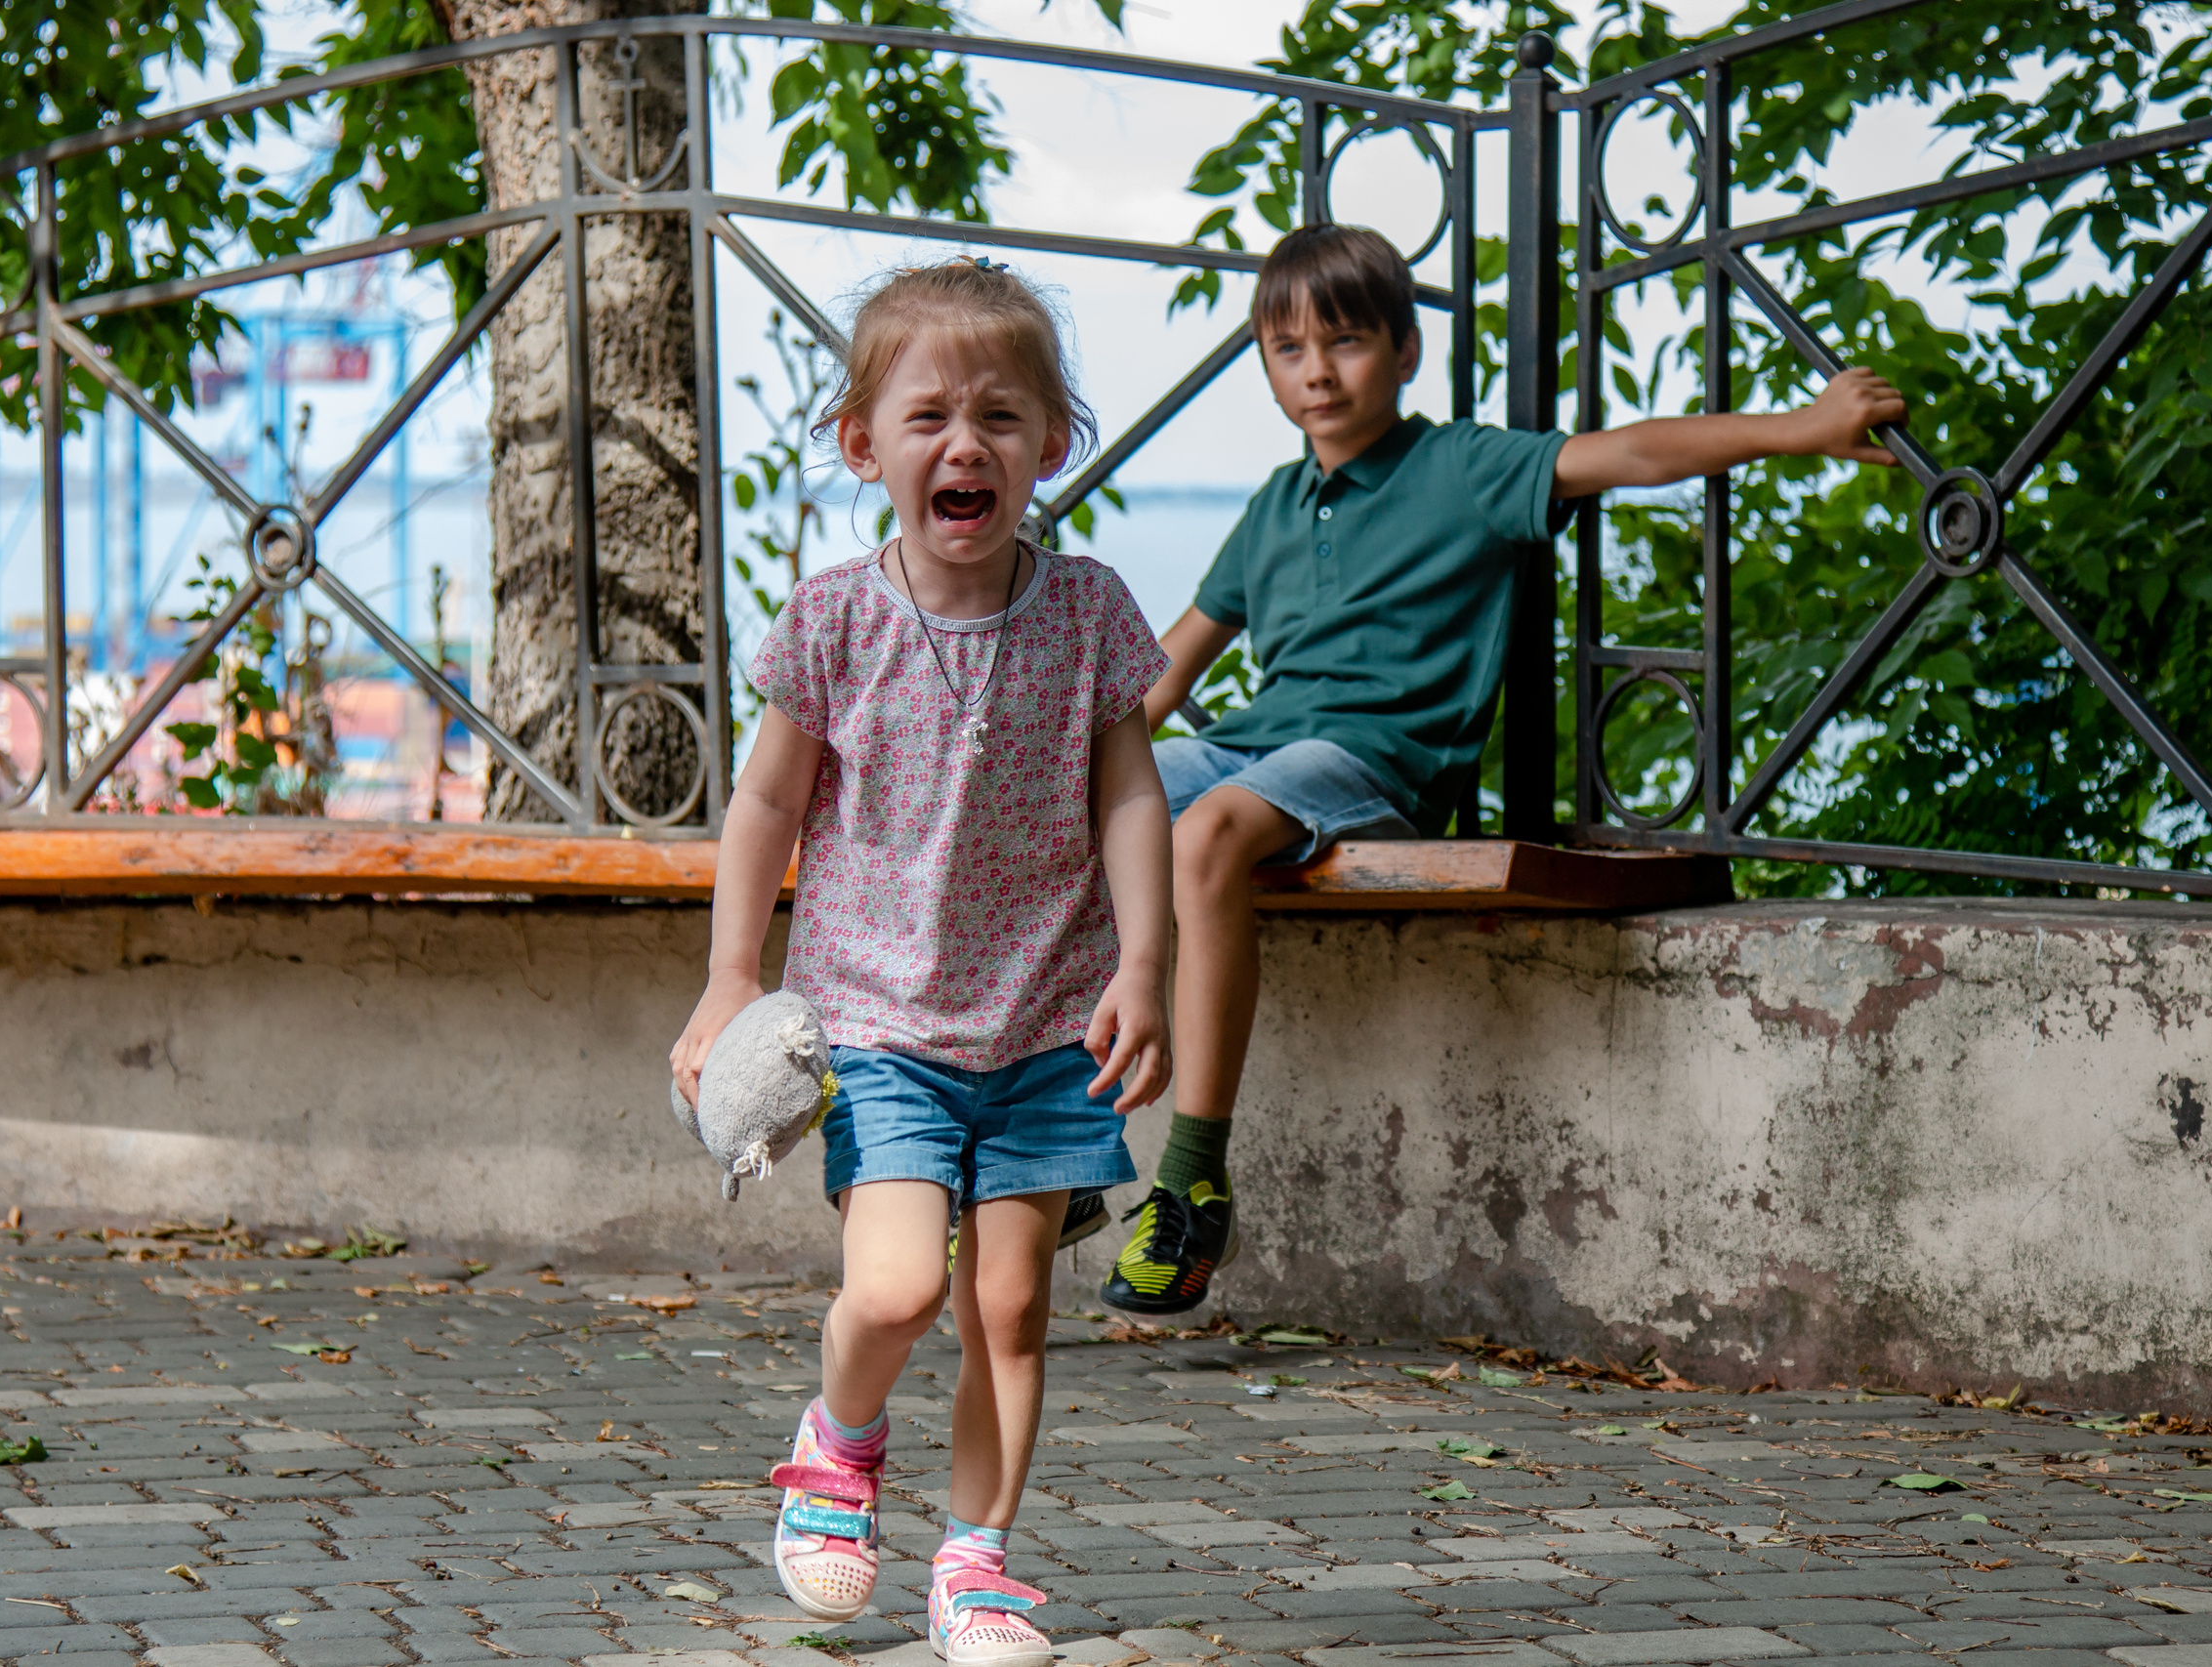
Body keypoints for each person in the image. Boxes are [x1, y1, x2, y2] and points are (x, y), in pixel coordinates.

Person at [1083, 223, 1912, 1314]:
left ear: (1404, 350)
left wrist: (1799, 431)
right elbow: (1162, 673)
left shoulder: (1462, 468)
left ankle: (1193, 1179)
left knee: (1204, 833)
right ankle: (1055, 1147)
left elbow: (1631, 452)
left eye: (1344, 342)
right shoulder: (1274, 508)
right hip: (1253, 743)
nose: (1317, 372)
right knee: (1078, 808)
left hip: (1368, 762)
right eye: (1287, 350)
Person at [670, 258, 1174, 1667]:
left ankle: (977, 1559)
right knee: (893, 1289)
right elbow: (764, 804)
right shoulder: (833, 619)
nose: (968, 443)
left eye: (1003, 417)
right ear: (863, 444)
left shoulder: (1088, 614)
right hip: (878, 1021)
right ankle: (837, 1446)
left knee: (1008, 1302)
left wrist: (1149, 964)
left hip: (1046, 1020)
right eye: (930, 414)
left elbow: (1133, 797)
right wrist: (731, 971)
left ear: (1050, 445)